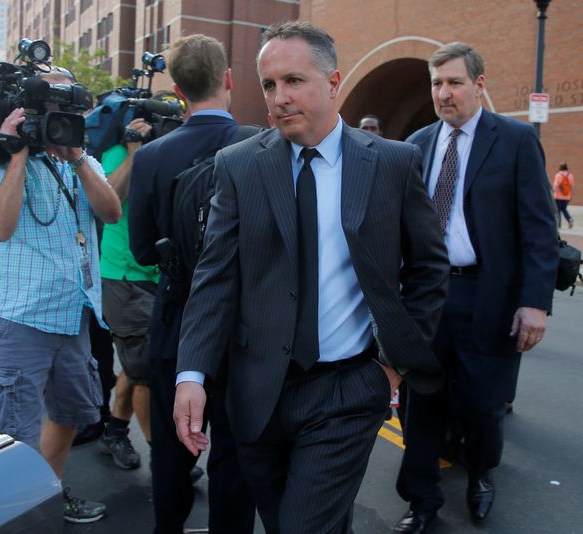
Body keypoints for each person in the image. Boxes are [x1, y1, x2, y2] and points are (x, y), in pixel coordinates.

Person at [172, 21, 449, 534]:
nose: (279, 98)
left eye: (294, 81)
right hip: (258, 394)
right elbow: (214, 279)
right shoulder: (238, 167)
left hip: (347, 390)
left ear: (333, 81)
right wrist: (192, 375)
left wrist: (390, 369)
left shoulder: (391, 163)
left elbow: (430, 270)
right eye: (269, 85)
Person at [394, 42, 558, 533]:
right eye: (437, 83)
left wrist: (534, 303)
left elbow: (538, 229)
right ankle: (420, 500)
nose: (444, 93)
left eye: (455, 82)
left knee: (483, 404)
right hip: (426, 295)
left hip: (486, 295)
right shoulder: (417, 144)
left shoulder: (514, 140)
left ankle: (480, 474)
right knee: (419, 403)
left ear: (478, 85)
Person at [0, 68, 121, 524]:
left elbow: (112, 212)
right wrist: (18, 156)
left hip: (72, 315)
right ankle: (8, 516)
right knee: (12, 432)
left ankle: (46, 494)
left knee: (71, 412)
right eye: (49, 103)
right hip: (18, 317)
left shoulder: (83, 160)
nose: (58, 114)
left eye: (66, 104)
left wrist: (75, 156)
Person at [128, 34, 256, 534]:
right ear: (228, 80)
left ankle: (169, 526)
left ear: (177, 90)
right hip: (241, 322)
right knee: (236, 445)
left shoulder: (153, 156)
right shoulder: (257, 143)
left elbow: (142, 249)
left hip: (176, 317)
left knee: (172, 441)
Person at [97, 116, 155, 469]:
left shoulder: (163, 150)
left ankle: (114, 431)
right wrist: (133, 153)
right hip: (123, 275)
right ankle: (163, 456)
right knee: (147, 371)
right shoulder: (116, 153)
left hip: (156, 275)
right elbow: (110, 202)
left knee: (136, 367)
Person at [554, 162, 574, 229]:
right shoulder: (570, 175)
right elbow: (571, 185)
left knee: (558, 210)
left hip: (558, 196)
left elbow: (555, 186)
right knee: (564, 209)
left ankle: (558, 224)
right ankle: (569, 219)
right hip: (567, 196)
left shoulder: (558, 175)